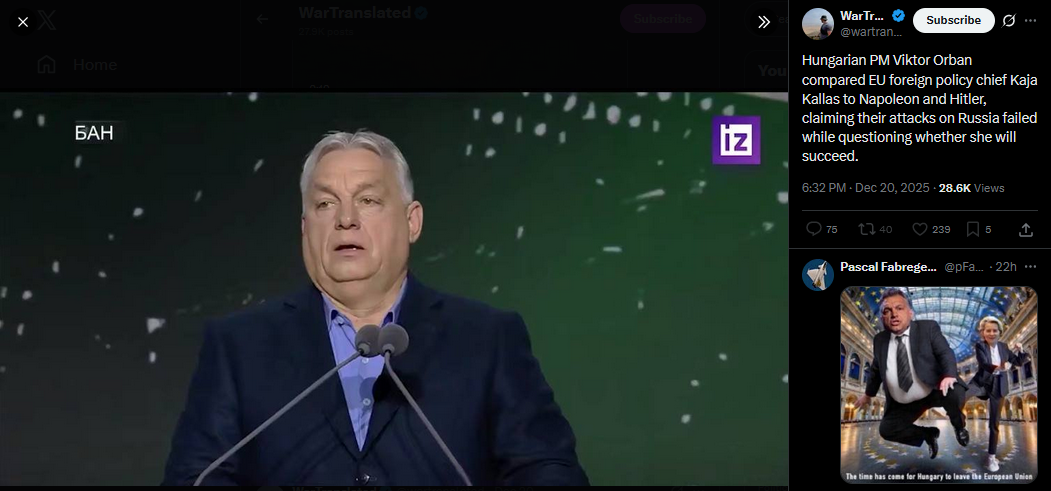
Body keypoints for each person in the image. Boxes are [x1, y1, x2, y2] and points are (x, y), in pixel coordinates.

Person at [162, 130, 589, 486]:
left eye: (368, 200)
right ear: (305, 228)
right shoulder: (239, 345)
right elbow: (196, 478)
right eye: (325, 204)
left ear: (412, 221)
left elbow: (547, 470)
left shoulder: (487, 339)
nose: (345, 218)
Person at [855, 288, 970, 459]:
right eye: (887, 311)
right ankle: (929, 434)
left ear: (910, 313)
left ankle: (959, 426)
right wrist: (868, 394)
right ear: (882, 318)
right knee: (887, 429)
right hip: (904, 402)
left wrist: (948, 375)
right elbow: (876, 369)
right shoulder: (879, 340)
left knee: (956, 391)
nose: (894, 314)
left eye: (899, 308)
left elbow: (945, 352)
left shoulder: (928, 328)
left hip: (934, 390)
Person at [970, 316, 1030, 472]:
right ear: (983, 333)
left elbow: (1018, 362)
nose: (991, 333)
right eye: (988, 331)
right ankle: (958, 425)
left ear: (999, 332)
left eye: (995, 330)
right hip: (982, 383)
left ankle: (991, 457)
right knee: (959, 395)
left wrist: (1021, 350)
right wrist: (1000, 367)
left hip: (999, 386)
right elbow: (984, 364)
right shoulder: (980, 346)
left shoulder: (1004, 347)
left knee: (994, 424)